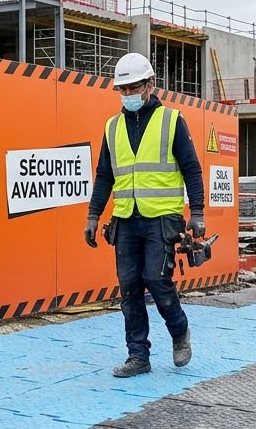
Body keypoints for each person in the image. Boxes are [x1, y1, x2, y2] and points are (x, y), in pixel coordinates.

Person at [85, 52, 205, 377]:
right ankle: (138, 356)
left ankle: (179, 332)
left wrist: (198, 212)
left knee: (157, 279)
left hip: (162, 219)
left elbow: (192, 169)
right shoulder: (112, 127)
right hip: (126, 221)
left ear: (150, 84)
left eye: (133, 87)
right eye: (122, 90)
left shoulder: (171, 120)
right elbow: (104, 176)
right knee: (129, 287)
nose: (128, 95)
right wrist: (93, 216)